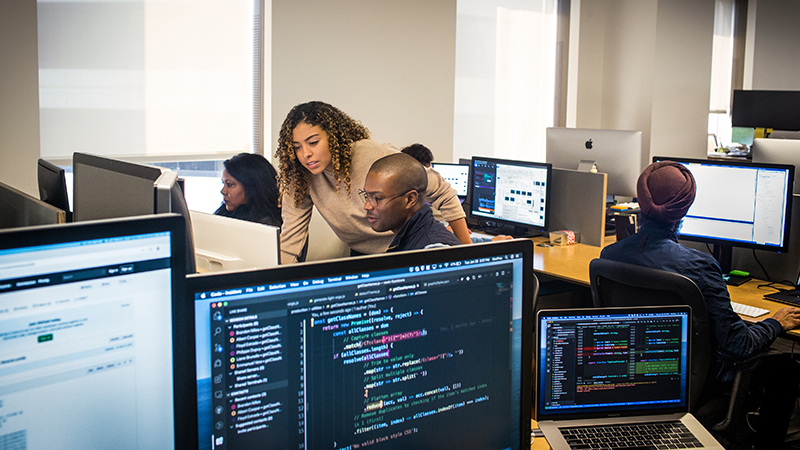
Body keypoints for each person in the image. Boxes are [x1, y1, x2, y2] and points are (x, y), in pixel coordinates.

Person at [600, 160, 800, 449]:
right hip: (695, 385)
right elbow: (738, 345)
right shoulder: (701, 266)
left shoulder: (610, 255)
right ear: (684, 209)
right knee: (787, 367)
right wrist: (775, 322)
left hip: (630, 377)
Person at [275, 101, 471, 264]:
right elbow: (290, 241)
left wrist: (467, 252)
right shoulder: (299, 176)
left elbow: (442, 191)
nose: (305, 154)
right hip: (363, 255)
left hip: (405, 246)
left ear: (333, 137)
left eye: (313, 142)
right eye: (297, 147)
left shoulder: (374, 156)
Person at [362, 153, 462, 252]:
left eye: (377, 198)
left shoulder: (433, 252)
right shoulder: (407, 239)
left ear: (410, 199)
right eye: (366, 196)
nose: (367, 206)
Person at [214, 153, 282, 227]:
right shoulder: (224, 214)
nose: (223, 191)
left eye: (229, 184)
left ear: (251, 187)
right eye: (223, 183)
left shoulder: (266, 224)